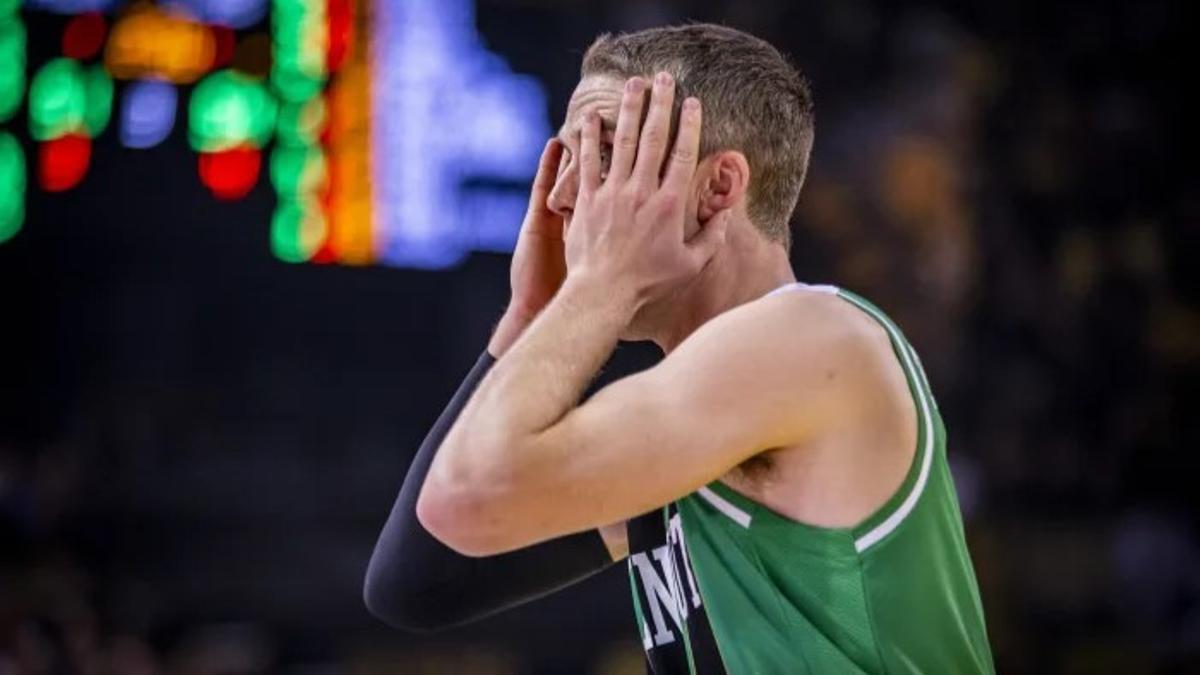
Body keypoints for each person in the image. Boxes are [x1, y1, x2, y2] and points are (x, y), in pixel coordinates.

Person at [364, 23, 994, 674]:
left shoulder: (813, 340)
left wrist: (596, 283)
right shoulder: (695, 424)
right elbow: (418, 582)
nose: (560, 196)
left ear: (718, 189)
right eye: (565, 158)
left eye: (608, 153)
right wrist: (532, 314)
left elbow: (467, 498)